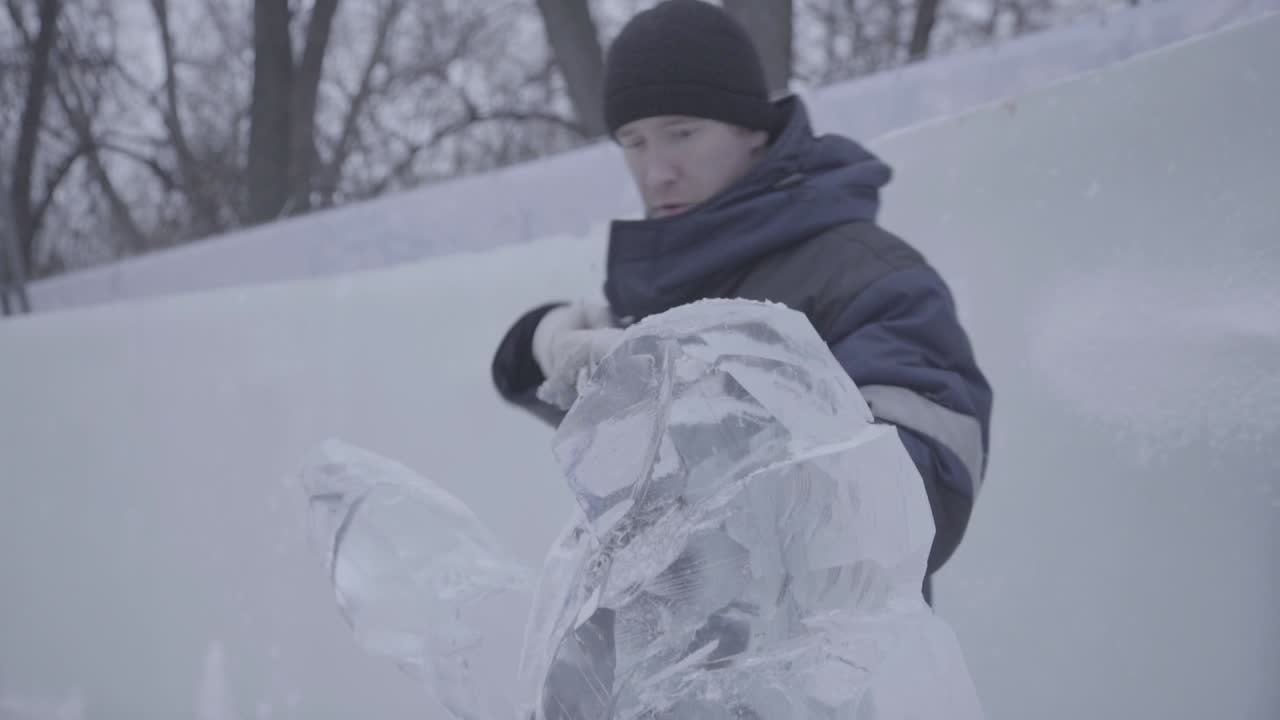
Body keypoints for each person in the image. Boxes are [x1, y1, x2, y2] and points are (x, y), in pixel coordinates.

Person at [492, 0, 992, 602]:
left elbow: (926, 489)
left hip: (829, 677)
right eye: (634, 142)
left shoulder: (871, 276)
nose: (657, 172)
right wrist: (544, 343)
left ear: (752, 127)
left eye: (682, 133)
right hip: (669, 675)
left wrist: (687, 392)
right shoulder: (669, 281)